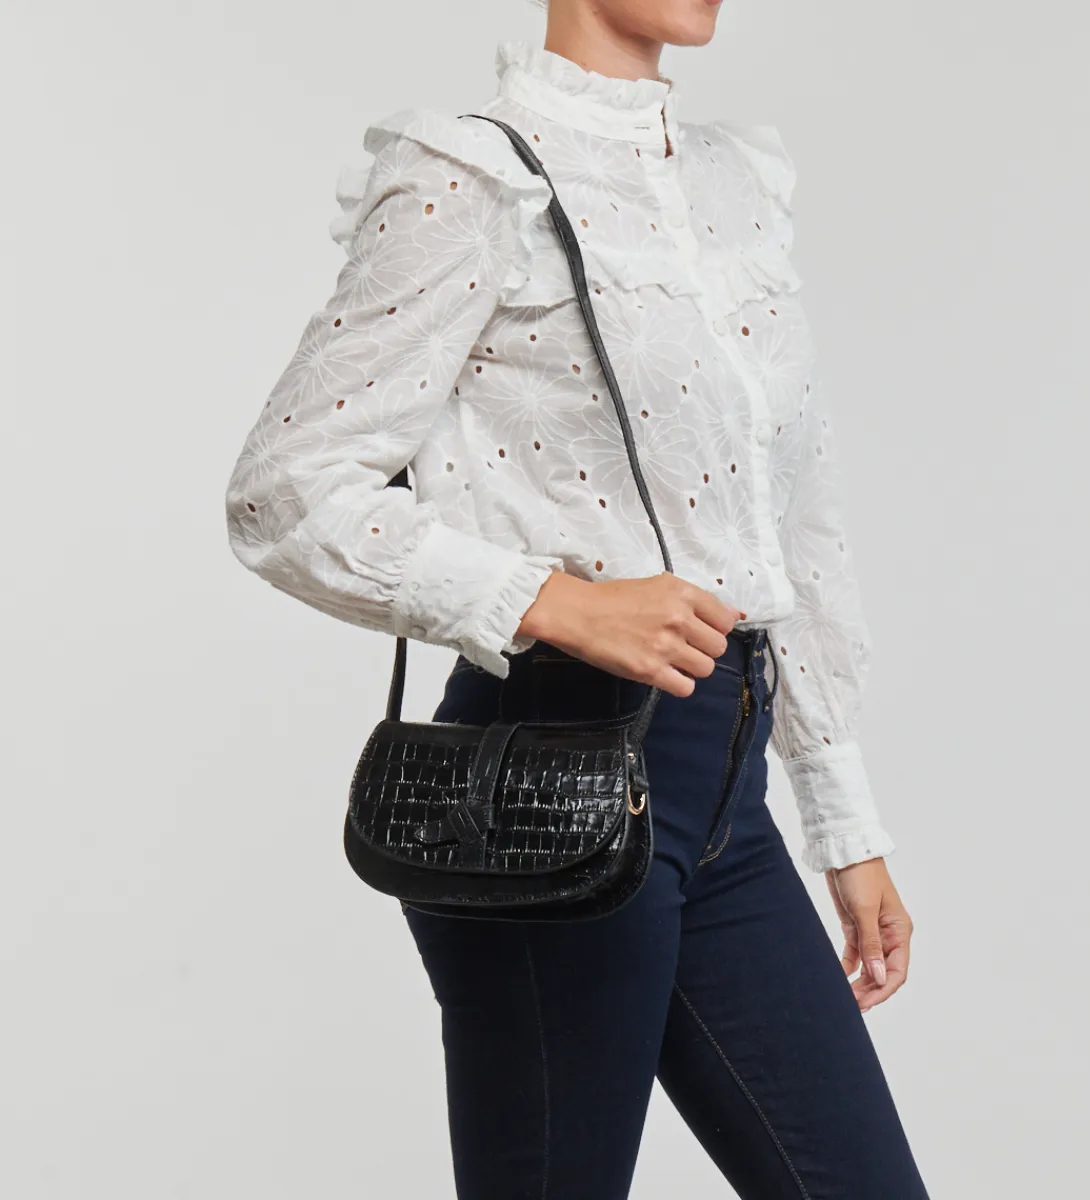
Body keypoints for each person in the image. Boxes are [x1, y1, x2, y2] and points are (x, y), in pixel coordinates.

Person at [224, 2, 928, 1196]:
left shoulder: (732, 183)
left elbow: (791, 515)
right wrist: (549, 600)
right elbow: (284, 490)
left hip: (724, 788)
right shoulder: (469, 177)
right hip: (548, 766)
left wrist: (844, 822)